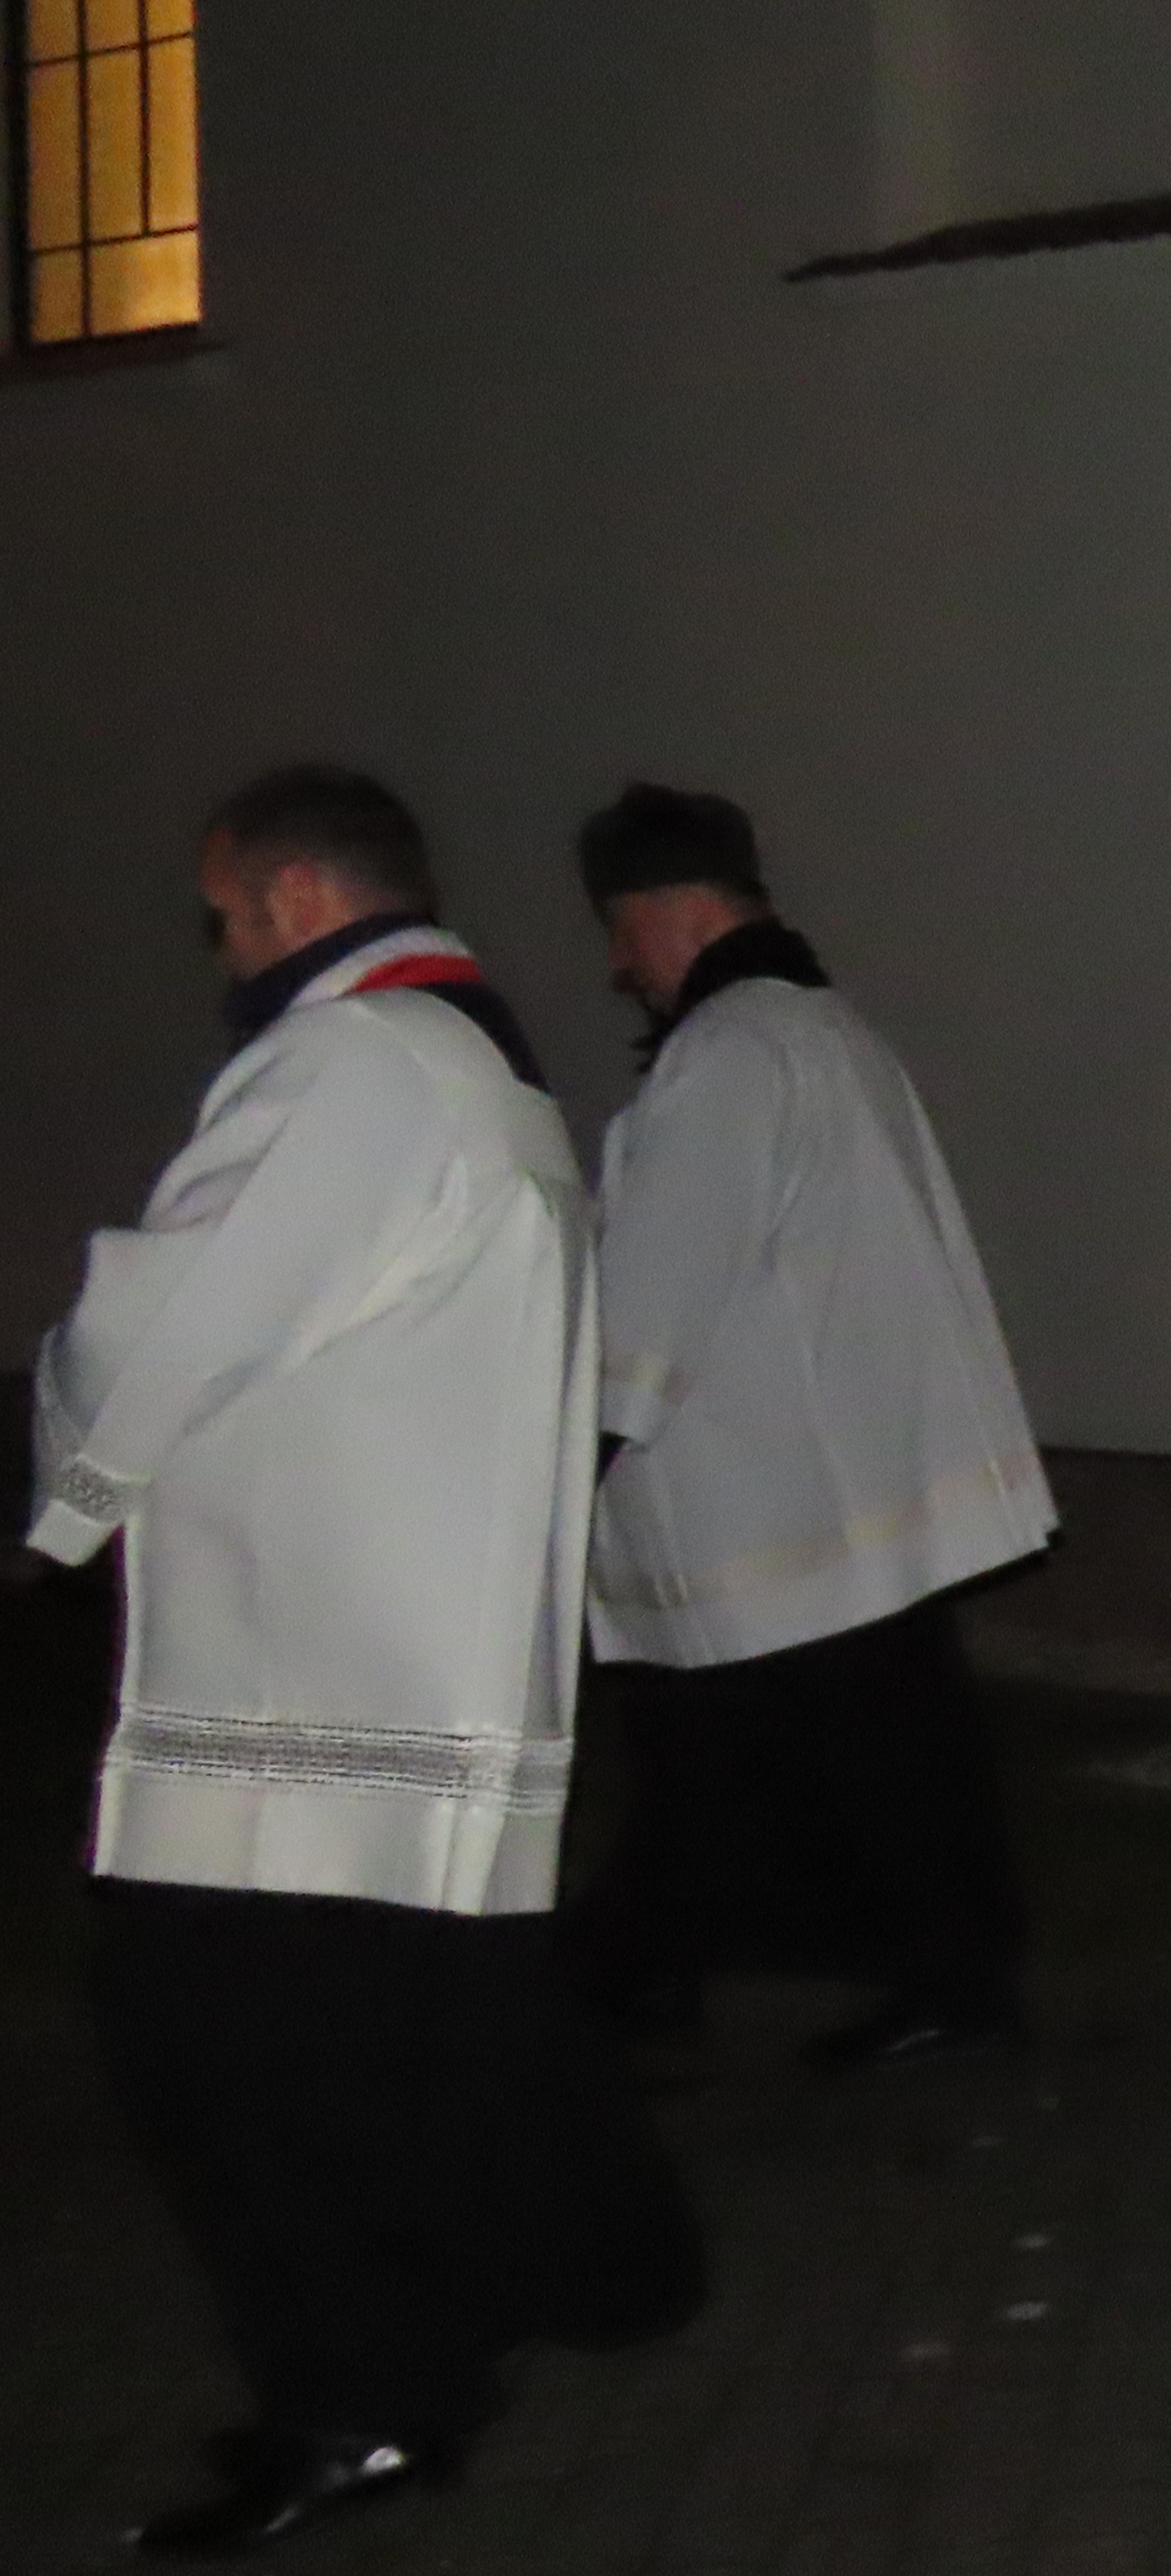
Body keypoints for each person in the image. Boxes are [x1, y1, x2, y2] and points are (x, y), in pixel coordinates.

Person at [28, 768, 700, 2552]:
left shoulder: (346, 1067)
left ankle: (362, 2402)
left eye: (227, 915)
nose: (221, 951)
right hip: (412, 1654)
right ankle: (586, 2268)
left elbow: (170, 1318)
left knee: (225, 2048)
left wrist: (59, 1470)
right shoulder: (475, 1063)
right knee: (420, 2020)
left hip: (306, 1679)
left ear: (302, 898)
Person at [565, 784, 1055, 2075]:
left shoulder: (732, 1054)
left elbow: (662, 1277)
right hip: (830, 1488)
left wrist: (582, 1445)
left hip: (768, 1508)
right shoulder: (825, 1032)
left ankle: (654, 1965)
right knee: (813, 1753)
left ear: (665, 910)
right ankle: (669, 1964)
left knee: (768, 1756)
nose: (617, 966)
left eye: (617, 929)